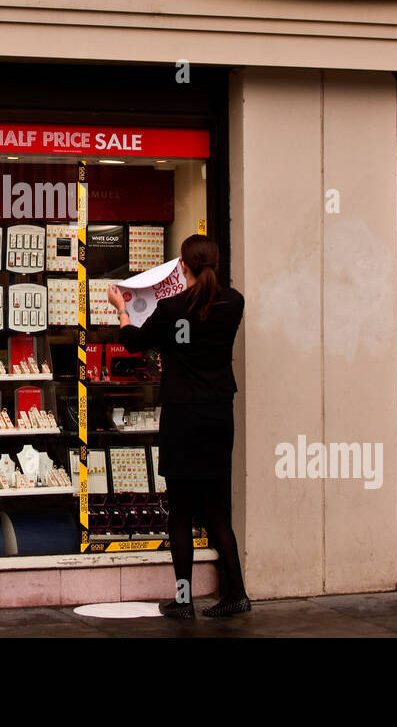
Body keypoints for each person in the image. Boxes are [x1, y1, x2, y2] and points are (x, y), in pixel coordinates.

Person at [107, 233, 251, 619]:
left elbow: (134, 341)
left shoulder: (171, 309)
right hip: (219, 415)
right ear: (216, 264)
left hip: (183, 417)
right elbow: (201, 324)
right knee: (219, 511)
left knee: (181, 513)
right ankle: (236, 592)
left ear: (182, 265)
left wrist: (122, 307)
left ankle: (184, 599)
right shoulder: (233, 303)